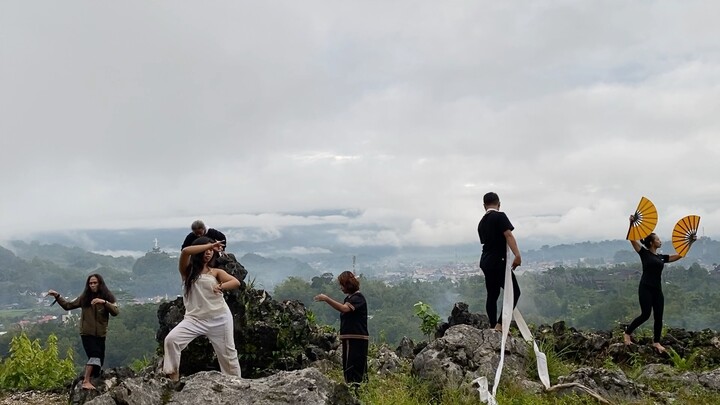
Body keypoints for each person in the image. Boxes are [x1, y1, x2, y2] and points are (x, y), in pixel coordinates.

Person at [163, 237, 242, 381]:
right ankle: (172, 376)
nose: (208, 253)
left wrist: (221, 286)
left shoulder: (215, 272)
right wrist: (210, 244)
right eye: (205, 250)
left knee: (228, 355)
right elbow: (186, 251)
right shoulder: (187, 271)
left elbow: (235, 282)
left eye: (211, 251)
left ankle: (235, 383)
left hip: (219, 317)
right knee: (172, 340)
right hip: (194, 319)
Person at [623, 224, 688, 353]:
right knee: (646, 314)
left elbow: (680, 255)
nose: (660, 241)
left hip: (657, 290)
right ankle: (627, 333)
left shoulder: (661, 257)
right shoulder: (644, 253)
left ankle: (656, 342)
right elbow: (631, 239)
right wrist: (631, 223)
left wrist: (689, 242)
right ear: (652, 243)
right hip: (645, 288)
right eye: (658, 239)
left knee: (659, 316)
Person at [47, 274, 119, 390]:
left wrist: (104, 302)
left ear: (100, 283)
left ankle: (93, 381)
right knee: (94, 355)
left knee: (99, 361)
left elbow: (115, 312)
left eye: (95, 283)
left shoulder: (107, 297)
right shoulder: (84, 298)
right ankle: (85, 381)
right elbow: (68, 306)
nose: (93, 285)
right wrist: (57, 296)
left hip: (100, 334)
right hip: (87, 334)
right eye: (90, 283)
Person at [314, 271, 368, 385]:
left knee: (352, 366)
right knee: (352, 365)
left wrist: (326, 299)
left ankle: (354, 388)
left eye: (342, 285)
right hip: (352, 337)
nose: (341, 288)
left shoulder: (357, 298)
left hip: (355, 338)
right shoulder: (350, 298)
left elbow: (344, 309)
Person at [478, 192, 522, 331]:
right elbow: (508, 235)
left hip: (485, 261)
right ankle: (500, 325)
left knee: (492, 294)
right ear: (499, 204)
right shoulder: (500, 216)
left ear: (484, 206)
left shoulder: (482, 223)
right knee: (514, 291)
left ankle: (492, 325)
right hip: (498, 261)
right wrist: (517, 255)